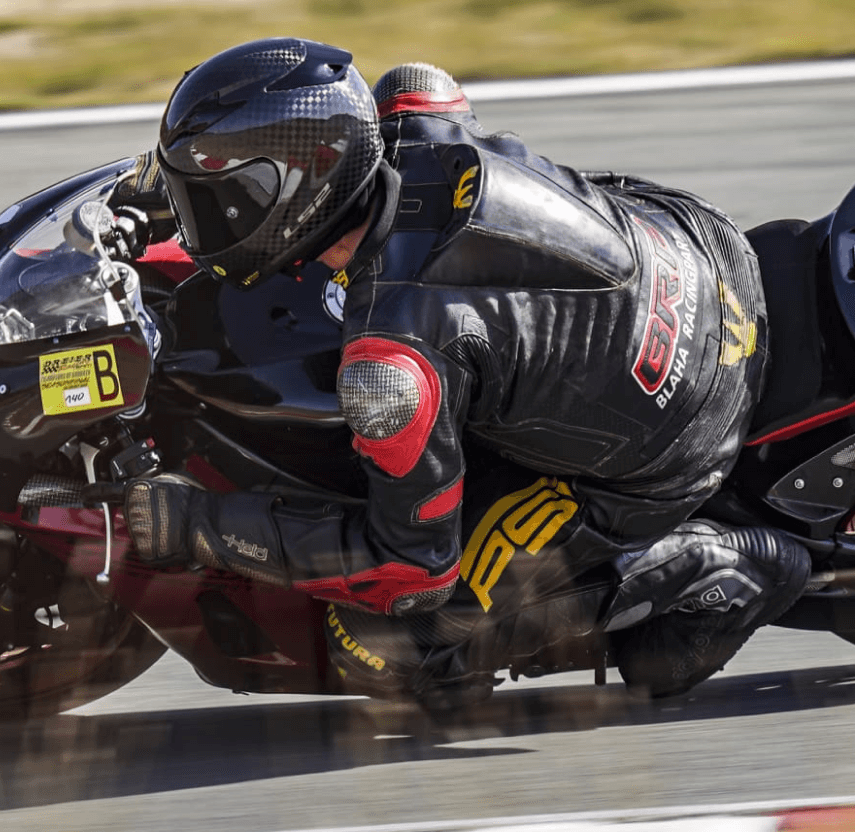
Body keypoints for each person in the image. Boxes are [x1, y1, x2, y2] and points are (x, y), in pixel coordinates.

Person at [113, 37, 810, 703]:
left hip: (679, 434)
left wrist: (203, 523)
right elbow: (429, 87)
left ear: (297, 193)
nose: (199, 215)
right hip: (702, 247)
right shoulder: (410, 119)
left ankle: (732, 564)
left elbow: (412, 569)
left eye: (214, 199)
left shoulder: (391, 364)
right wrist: (159, 188)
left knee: (379, 644)